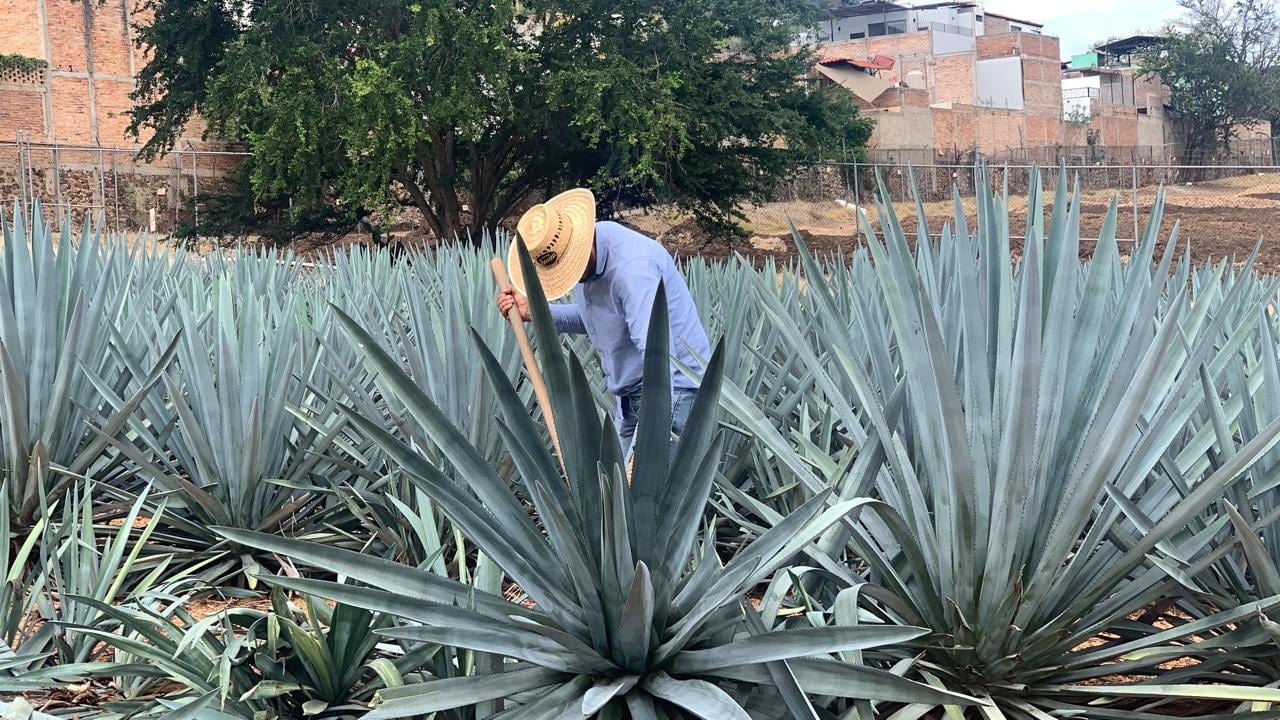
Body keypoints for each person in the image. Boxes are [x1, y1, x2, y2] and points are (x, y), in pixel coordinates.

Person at [496, 188, 711, 460]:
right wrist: (535, 312)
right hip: (630, 394)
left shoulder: (634, 270)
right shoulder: (591, 261)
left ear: (582, 243)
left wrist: (644, 451)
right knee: (618, 489)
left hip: (674, 391)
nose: (572, 278)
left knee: (644, 494)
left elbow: (659, 361)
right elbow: (595, 320)